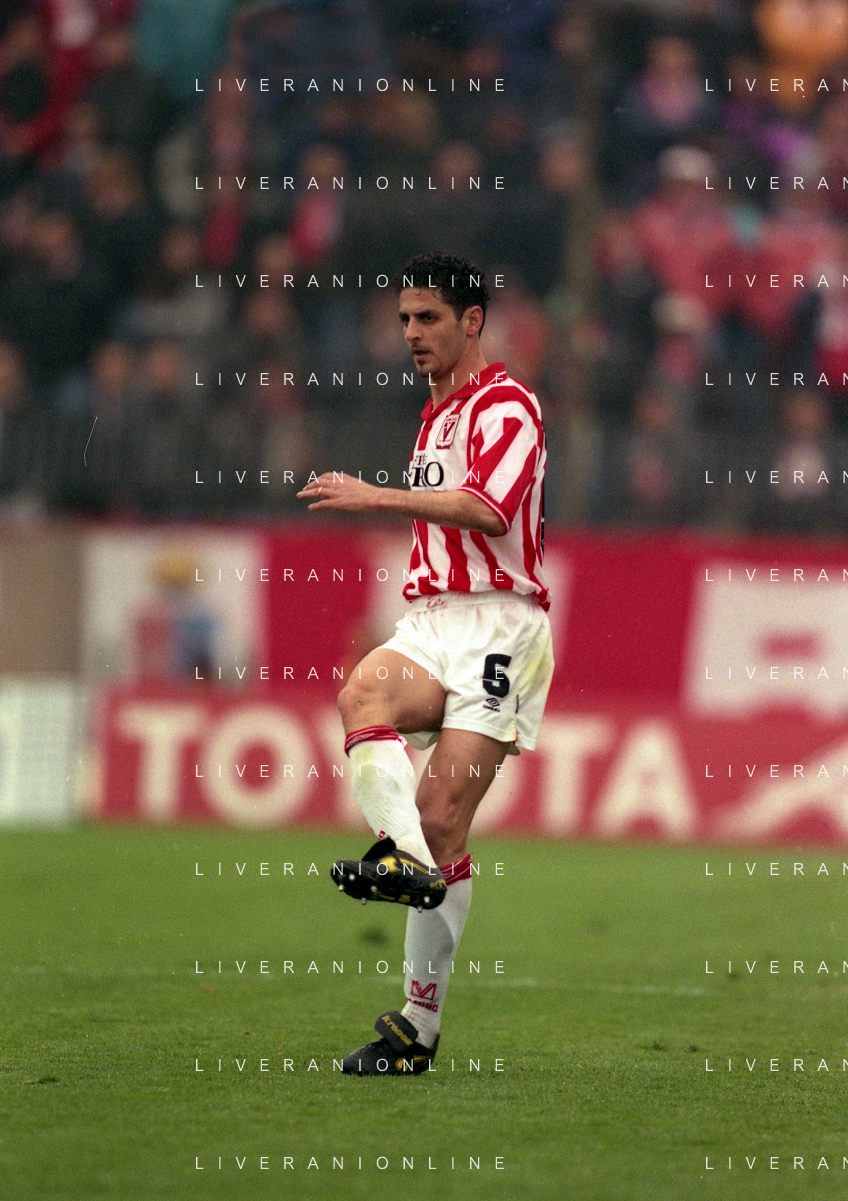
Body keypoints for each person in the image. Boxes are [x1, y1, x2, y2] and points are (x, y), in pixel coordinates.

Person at [297, 250, 554, 1075]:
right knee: (362, 693)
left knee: (443, 819)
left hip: (502, 628)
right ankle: (403, 856)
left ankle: (416, 1027)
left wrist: (376, 495)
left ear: (472, 321)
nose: (411, 332)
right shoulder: (434, 416)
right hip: (434, 619)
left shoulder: (508, 404)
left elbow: (488, 508)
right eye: (405, 318)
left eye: (428, 317)